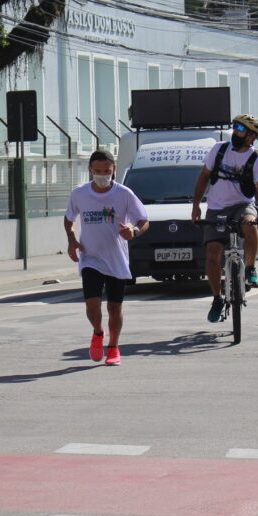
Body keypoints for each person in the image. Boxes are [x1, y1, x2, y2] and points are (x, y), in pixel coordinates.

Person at [64, 150, 149, 366]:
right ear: (90, 170)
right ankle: (98, 332)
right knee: (92, 305)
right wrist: (72, 240)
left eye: (107, 171)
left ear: (113, 170)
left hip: (116, 259)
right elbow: (69, 219)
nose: (103, 175)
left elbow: (144, 220)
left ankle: (113, 347)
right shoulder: (79, 194)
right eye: (98, 171)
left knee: (114, 308)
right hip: (90, 257)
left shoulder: (124, 194)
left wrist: (134, 231)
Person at [191, 114, 258, 323]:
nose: (236, 132)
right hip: (216, 208)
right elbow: (203, 177)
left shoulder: (257, 159)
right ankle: (217, 298)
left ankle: (251, 268)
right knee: (212, 253)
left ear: (252, 136)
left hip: (242, 205)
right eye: (235, 127)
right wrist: (196, 206)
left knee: (249, 224)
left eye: (241, 129)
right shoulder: (218, 150)